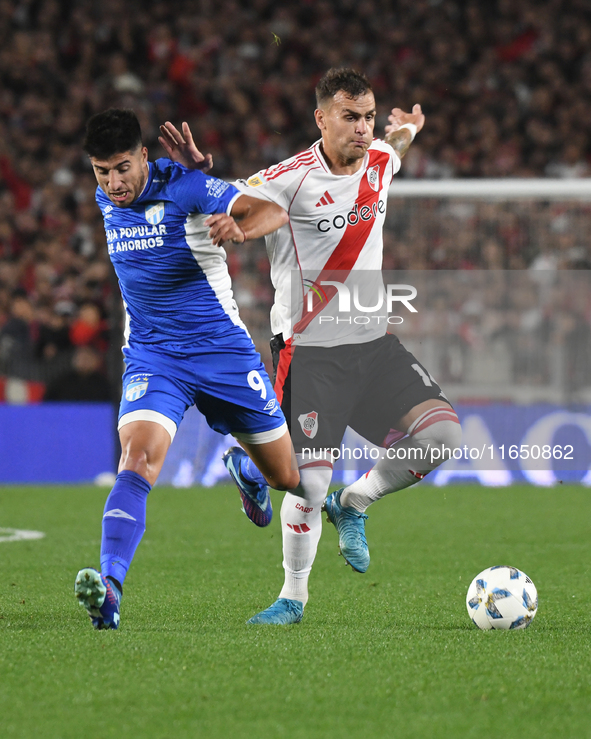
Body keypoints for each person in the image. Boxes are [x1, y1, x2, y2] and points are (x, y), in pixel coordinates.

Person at [160, 68, 462, 625]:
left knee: (442, 436)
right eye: (350, 117)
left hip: (374, 345)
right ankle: (291, 598)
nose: (364, 128)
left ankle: (354, 503)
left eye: (369, 116)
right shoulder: (287, 180)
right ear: (320, 118)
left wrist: (408, 128)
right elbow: (231, 200)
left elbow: (394, 146)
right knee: (309, 479)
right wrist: (200, 182)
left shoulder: (379, 160)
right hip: (310, 350)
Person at [74, 108, 299, 630]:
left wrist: (238, 229)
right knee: (137, 459)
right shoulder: (106, 199)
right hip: (154, 355)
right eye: (101, 171)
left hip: (222, 352)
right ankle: (109, 589)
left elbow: (273, 213)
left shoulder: (188, 187)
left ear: (144, 157)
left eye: (123, 168)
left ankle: (246, 469)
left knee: (287, 476)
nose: (113, 182)